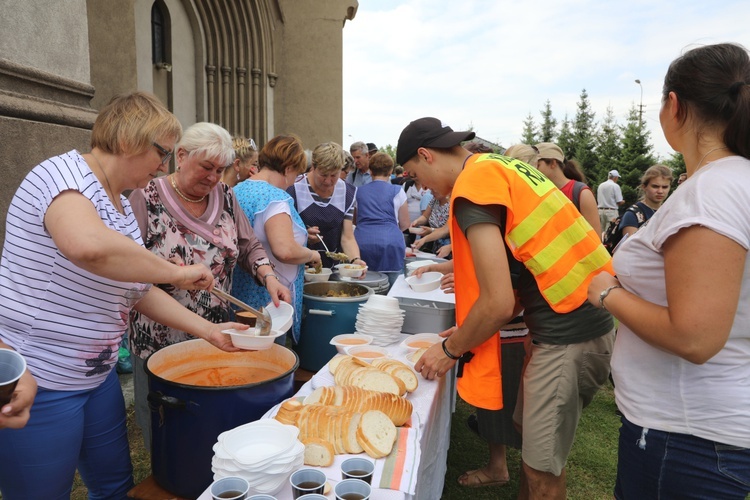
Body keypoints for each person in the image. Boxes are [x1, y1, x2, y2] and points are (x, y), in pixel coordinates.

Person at [0, 92, 246, 499]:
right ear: (132, 140)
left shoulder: (117, 207)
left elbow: (136, 290)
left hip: (96, 377)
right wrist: (178, 272)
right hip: (40, 375)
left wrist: (210, 332)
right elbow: (87, 246)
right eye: (163, 153)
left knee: (115, 486)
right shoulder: (63, 174)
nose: (164, 166)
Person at [398, 117, 614, 500]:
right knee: (527, 435)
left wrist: (450, 350)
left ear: (426, 156)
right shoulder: (497, 166)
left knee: (541, 469)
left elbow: (496, 302)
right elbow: (521, 269)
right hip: (575, 318)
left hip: (569, 331)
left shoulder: (472, 189)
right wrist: (469, 331)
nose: (422, 188)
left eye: (416, 176)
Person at [587, 42, 750, 500]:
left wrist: (606, 293)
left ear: (673, 106)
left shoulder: (713, 191)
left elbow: (695, 337)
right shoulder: (730, 181)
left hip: (685, 438)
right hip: (698, 431)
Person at [128, 122, 291, 449]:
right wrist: (168, 272)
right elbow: (128, 264)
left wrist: (269, 276)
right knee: (164, 414)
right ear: (182, 156)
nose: (214, 178)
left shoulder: (226, 196)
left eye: (220, 170)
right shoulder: (144, 198)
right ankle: (165, 465)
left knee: (209, 411)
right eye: (206, 167)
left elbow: (248, 245)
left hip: (216, 332)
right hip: (159, 335)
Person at [455, 143, 537, 489]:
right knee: (501, 397)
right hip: (518, 319)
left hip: (523, 321)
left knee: (515, 401)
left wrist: (454, 347)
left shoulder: (489, 196)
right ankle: (502, 465)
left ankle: (513, 469)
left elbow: (504, 291)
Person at [232, 135, 320, 344]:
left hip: (240, 291)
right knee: (268, 360)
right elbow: (285, 250)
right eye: (296, 174)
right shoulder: (275, 197)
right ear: (288, 168)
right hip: (271, 300)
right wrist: (311, 254)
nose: (292, 182)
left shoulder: (237, 189)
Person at [288, 142, 367, 270]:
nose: (328, 181)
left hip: (333, 267)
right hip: (300, 267)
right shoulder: (294, 188)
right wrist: (304, 235)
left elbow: (347, 237)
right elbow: (283, 234)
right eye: (323, 175)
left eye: (334, 175)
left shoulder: (347, 193)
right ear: (313, 167)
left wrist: (356, 260)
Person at [353, 152, 409, 285]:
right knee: (392, 291)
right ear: (391, 171)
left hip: (362, 243)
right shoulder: (398, 191)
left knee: (363, 287)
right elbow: (405, 224)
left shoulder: (357, 191)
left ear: (370, 171)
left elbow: (355, 220)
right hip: (391, 243)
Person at [535, 142, 602, 236]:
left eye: (537, 165)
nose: (533, 170)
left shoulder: (582, 193)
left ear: (553, 163)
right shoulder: (539, 192)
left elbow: (596, 238)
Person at [617, 164, 672, 238]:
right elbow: (631, 247)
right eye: (655, 186)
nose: (660, 191)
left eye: (665, 187)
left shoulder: (669, 212)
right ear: (644, 187)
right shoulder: (632, 215)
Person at [597, 169, 624, 233]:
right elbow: (619, 201)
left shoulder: (601, 185)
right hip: (611, 212)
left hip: (600, 211)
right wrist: (624, 202)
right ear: (615, 177)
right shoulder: (615, 186)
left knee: (600, 232)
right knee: (610, 232)